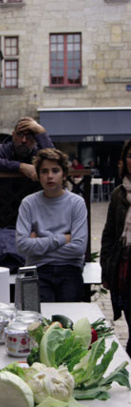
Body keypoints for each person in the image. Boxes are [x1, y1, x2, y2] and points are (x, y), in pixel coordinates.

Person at [16, 148, 88, 302]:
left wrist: (36, 244)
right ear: (38, 175)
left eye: (55, 170)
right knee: (35, 318)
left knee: (68, 319)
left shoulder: (76, 203)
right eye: (44, 171)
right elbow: (22, 245)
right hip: (36, 269)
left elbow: (79, 248)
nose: (49, 176)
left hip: (69, 268)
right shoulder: (28, 203)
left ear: (64, 175)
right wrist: (63, 238)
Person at [100, 139, 131, 357]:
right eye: (130, 156)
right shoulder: (119, 194)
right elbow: (109, 234)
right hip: (125, 265)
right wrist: (106, 268)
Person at [0, 116, 54, 181]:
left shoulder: (38, 152)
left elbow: (54, 160)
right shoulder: (4, 149)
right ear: (13, 135)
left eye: (29, 136)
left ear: (35, 139)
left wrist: (41, 132)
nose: (23, 140)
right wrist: (20, 166)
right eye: (20, 134)